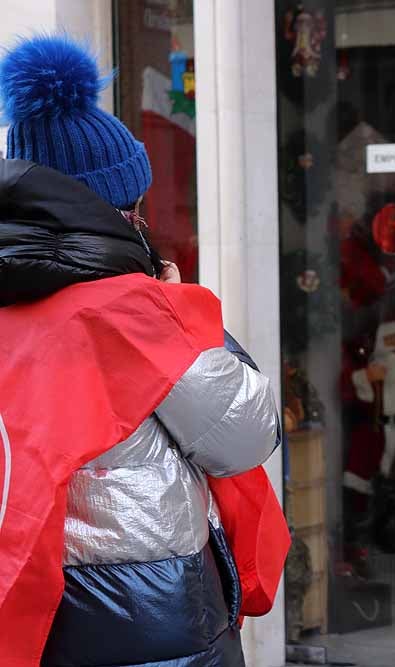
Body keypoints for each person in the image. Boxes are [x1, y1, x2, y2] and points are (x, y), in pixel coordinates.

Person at [0, 35, 283, 666]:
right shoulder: (129, 312)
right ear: (110, 208)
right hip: (145, 609)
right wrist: (182, 319)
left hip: (26, 606)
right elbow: (247, 434)